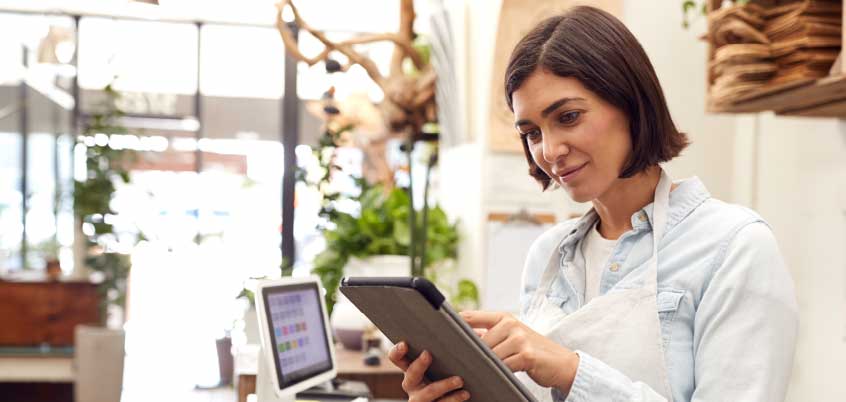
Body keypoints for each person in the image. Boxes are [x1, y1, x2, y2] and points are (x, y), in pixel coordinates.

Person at [388, 6, 798, 402]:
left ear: (631, 103)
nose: (549, 151)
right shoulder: (547, 255)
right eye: (531, 132)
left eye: (567, 117)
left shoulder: (734, 247)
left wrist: (571, 371)